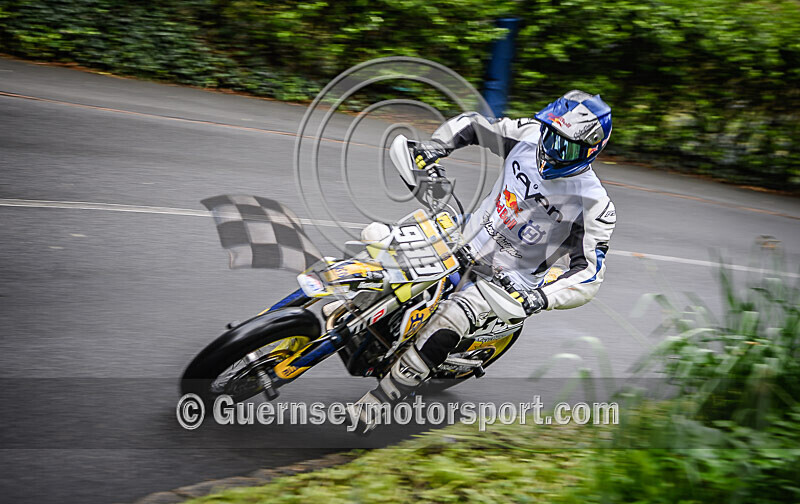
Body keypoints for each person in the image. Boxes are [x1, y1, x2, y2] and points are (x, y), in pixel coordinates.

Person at [349, 90, 616, 433]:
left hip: (509, 281)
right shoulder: (529, 135)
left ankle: (382, 399)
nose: (550, 148)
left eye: (565, 145)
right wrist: (435, 148)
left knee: (452, 317)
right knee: (381, 241)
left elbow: (590, 273)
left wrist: (541, 297)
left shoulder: (595, 204)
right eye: (550, 134)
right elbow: (474, 124)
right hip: (465, 235)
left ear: (591, 151)